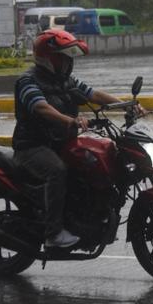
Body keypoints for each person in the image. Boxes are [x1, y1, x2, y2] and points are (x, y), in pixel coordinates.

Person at [12, 30, 132, 248]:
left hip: (60, 142)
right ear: (49, 58)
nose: (68, 62)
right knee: (57, 170)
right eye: (63, 57)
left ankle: (93, 217)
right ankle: (53, 234)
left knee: (95, 160)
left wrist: (126, 105)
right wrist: (68, 120)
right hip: (33, 146)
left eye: (69, 58)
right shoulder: (28, 81)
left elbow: (94, 95)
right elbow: (40, 107)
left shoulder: (66, 81)